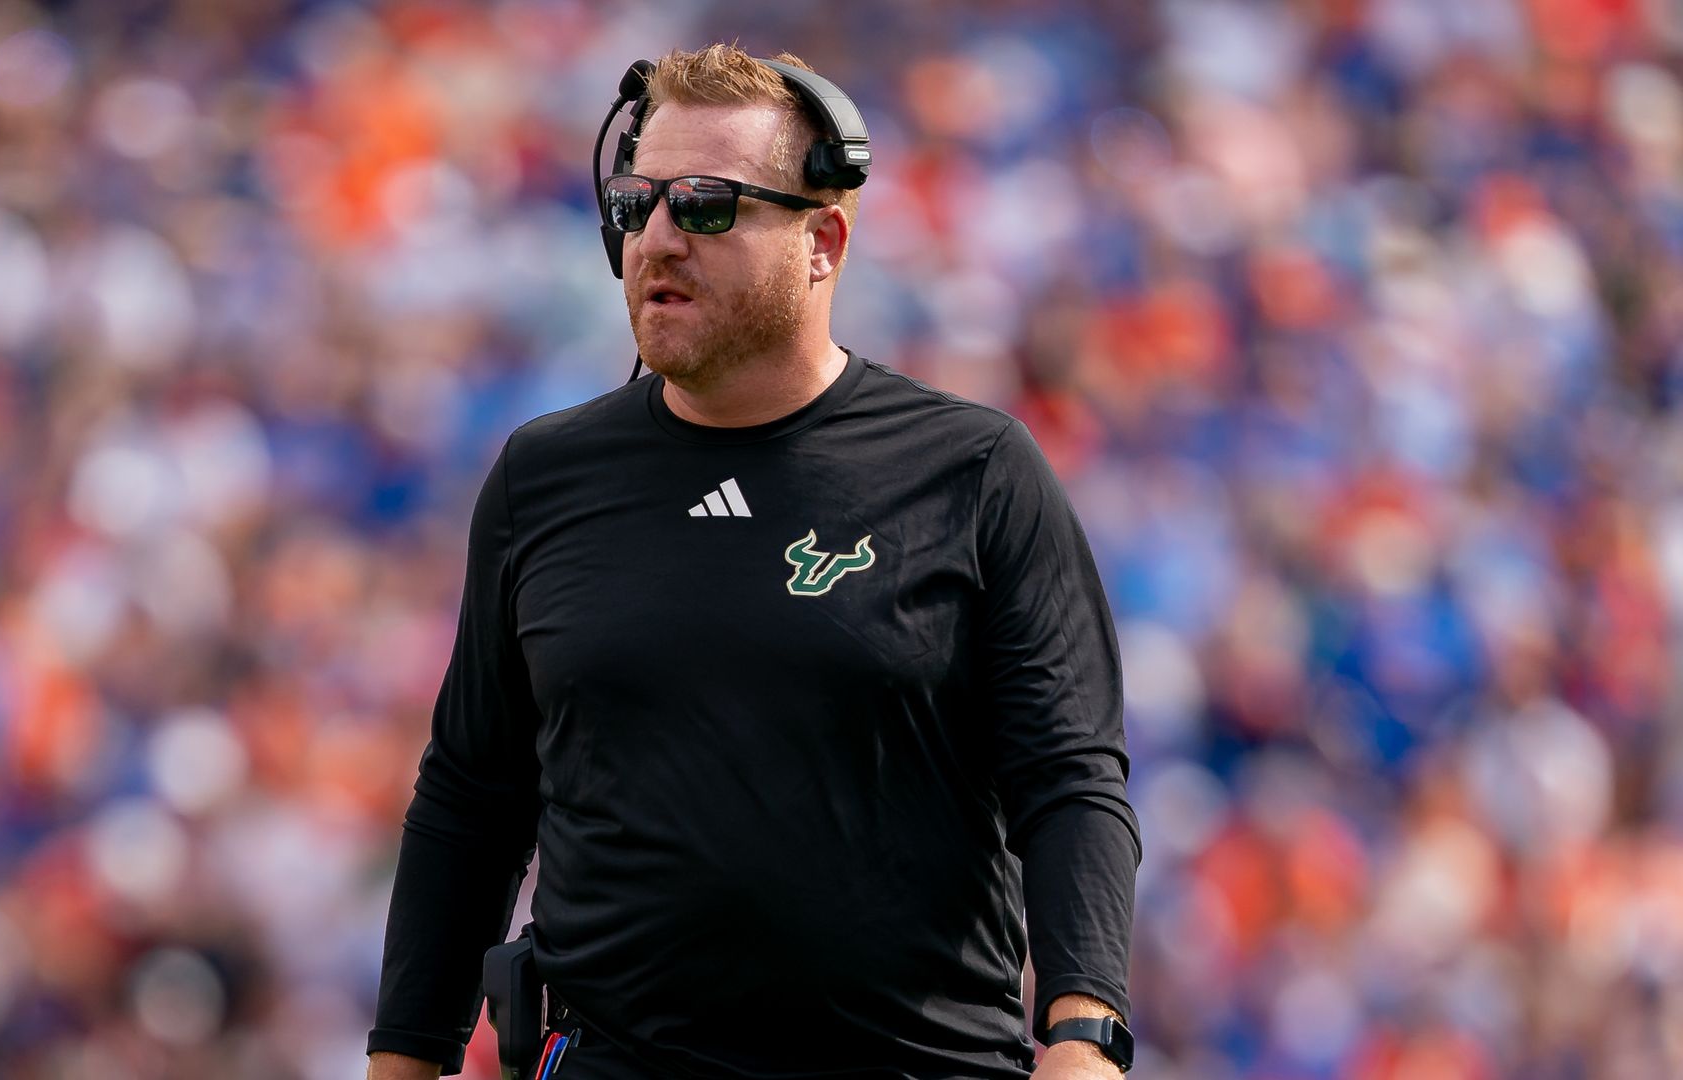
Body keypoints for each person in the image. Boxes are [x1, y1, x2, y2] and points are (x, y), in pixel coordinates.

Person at [366, 44, 1139, 1080]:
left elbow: (1070, 781)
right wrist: (405, 1058)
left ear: (823, 241)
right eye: (638, 203)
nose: (657, 239)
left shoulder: (976, 470)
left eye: (707, 205)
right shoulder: (543, 477)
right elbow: (471, 798)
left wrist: (1083, 1040)